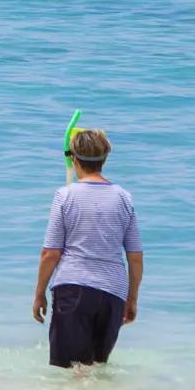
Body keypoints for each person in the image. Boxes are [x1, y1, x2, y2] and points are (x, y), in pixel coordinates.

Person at [32, 127, 143, 369]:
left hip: (73, 288)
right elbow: (135, 257)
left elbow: (50, 253)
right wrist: (132, 298)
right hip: (113, 292)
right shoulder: (124, 198)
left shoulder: (65, 196)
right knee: (95, 367)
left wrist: (39, 293)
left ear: (74, 159)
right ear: (105, 158)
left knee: (70, 369)